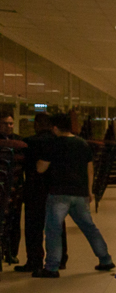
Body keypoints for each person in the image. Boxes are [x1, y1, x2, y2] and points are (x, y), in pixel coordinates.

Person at [34, 113, 114, 278]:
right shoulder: (82, 144)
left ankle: (52, 267)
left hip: (59, 193)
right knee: (89, 228)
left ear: (55, 128)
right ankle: (105, 259)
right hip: (79, 193)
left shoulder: (53, 144)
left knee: (53, 230)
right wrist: (89, 191)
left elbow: (41, 168)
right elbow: (89, 169)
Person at [15, 112, 68, 273]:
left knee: (33, 226)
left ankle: (34, 260)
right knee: (58, 224)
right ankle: (60, 259)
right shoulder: (61, 142)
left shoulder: (29, 142)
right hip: (56, 188)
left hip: (35, 188)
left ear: (36, 125)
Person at [1, 111, 25, 265]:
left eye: (11, 123)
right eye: (5, 123)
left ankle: (11, 253)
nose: (9, 126)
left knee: (14, 221)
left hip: (15, 188)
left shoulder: (19, 142)